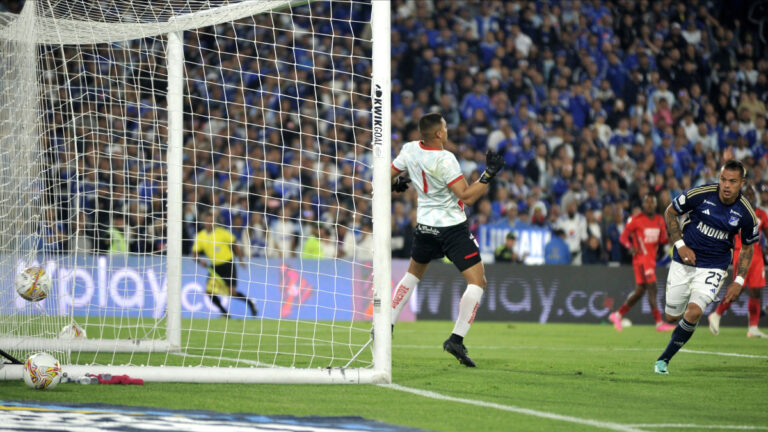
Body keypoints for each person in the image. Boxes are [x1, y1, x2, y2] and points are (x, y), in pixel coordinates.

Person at [390, 112, 505, 368]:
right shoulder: (445, 159)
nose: (447, 129)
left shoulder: (409, 150)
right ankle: (456, 339)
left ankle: (386, 324)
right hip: (452, 229)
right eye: (445, 126)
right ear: (439, 134)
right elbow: (467, 196)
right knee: (477, 282)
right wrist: (489, 174)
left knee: (412, 275)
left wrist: (396, 183)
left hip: (425, 226)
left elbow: (388, 175)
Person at [654, 160, 758, 375]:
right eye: (723, 179)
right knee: (672, 316)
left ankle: (663, 360)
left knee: (693, 312)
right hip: (685, 261)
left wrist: (738, 281)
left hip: (715, 266)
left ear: (742, 183)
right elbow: (670, 212)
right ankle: (679, 329)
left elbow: (748, 248)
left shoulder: (746, 213)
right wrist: (680, 245)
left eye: (732, 181)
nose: (726, 185)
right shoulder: (701, 194)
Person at [708, 184, 768, 338]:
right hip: (741, 254)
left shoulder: (761, 214)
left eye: (751, 193)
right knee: (738, 288)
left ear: (756, 197)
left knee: (756, 291)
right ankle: (717, 314)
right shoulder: (735, 211)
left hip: (757, 256)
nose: (749, 196)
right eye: (746, 193)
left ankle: (753, 327)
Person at [608, 194, 675, 332]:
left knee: (640, 291)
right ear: (643, 205)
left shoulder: (659, 220)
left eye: (652, 202)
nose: (649, 205)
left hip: (651, 260)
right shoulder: (636, 220)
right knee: (652, 287)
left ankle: (617, 315)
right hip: (641, 259)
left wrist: (670, 239)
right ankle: (658, 323)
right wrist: (629, 246)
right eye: (647, 202)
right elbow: (623, 237)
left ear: (655, 205)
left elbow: (662, 240)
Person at [193, 210, 258, 318]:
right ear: (204, 222)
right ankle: (224, 313)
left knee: (232, 292)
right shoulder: (200, 236)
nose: (210, 223)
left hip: (228, 265)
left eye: (211, 221)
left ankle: (250, 303)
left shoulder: (222, 232)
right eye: (207, 221)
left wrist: (240, 259)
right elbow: (194, 254)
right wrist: (200, 261)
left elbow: (234, 243)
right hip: (214, 267)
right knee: (209, 292)